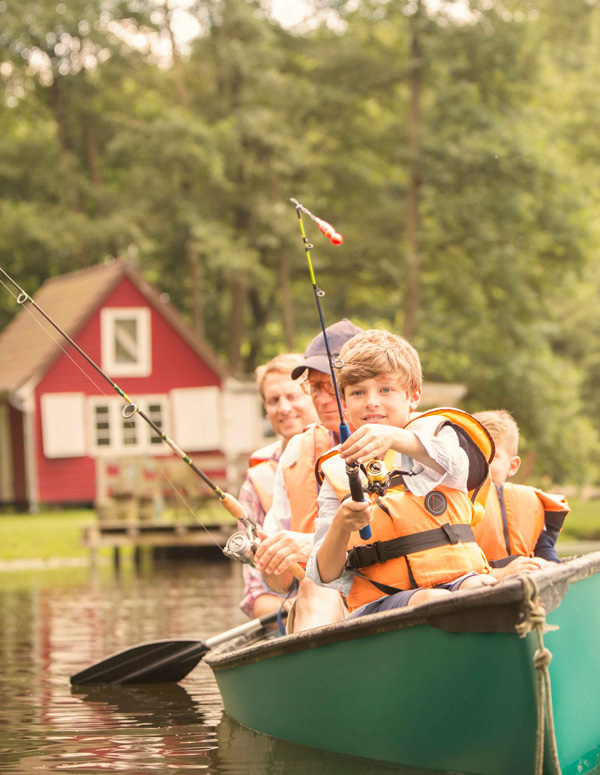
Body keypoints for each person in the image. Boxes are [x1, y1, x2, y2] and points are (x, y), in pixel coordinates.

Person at [306, 328, 497, 620]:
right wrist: (342, 526)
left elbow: (460, 467)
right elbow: (324, 575)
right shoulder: (337, 472)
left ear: (413, 395)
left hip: (460, 580)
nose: (371, 401)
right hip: (380, 605)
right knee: (430, 599)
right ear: (345, 404)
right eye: (358, 392)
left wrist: (394, 437)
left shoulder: (437, 435)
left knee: (479, 585)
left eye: (386, 390)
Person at [253, 319, 362, 631]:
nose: (322, 398)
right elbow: (277, 582)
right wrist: (271, 558)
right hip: (325, 599)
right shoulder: (296, 452)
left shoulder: (405, 437)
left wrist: (311, 545)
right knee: (317, 589)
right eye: (315, 388)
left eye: (331, 385)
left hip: (397, 591)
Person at [238, 353, 317, 619]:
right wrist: (293, 609)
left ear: (313, 395)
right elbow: (257, 597)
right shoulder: (256, 480)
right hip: (292, 607)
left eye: (293, 396)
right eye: (273, 401)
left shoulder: (350, 451)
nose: (283, 408)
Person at [471, 409, 570, 579]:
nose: (481, 465)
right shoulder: (456, 505)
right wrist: (501, 573)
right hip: (478, 585)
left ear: (512, 466)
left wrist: (547, 565)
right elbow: (455, 571)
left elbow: (547, 554)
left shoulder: (529, 504)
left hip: (525, 585)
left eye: (491, 457)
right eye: (474, 456)